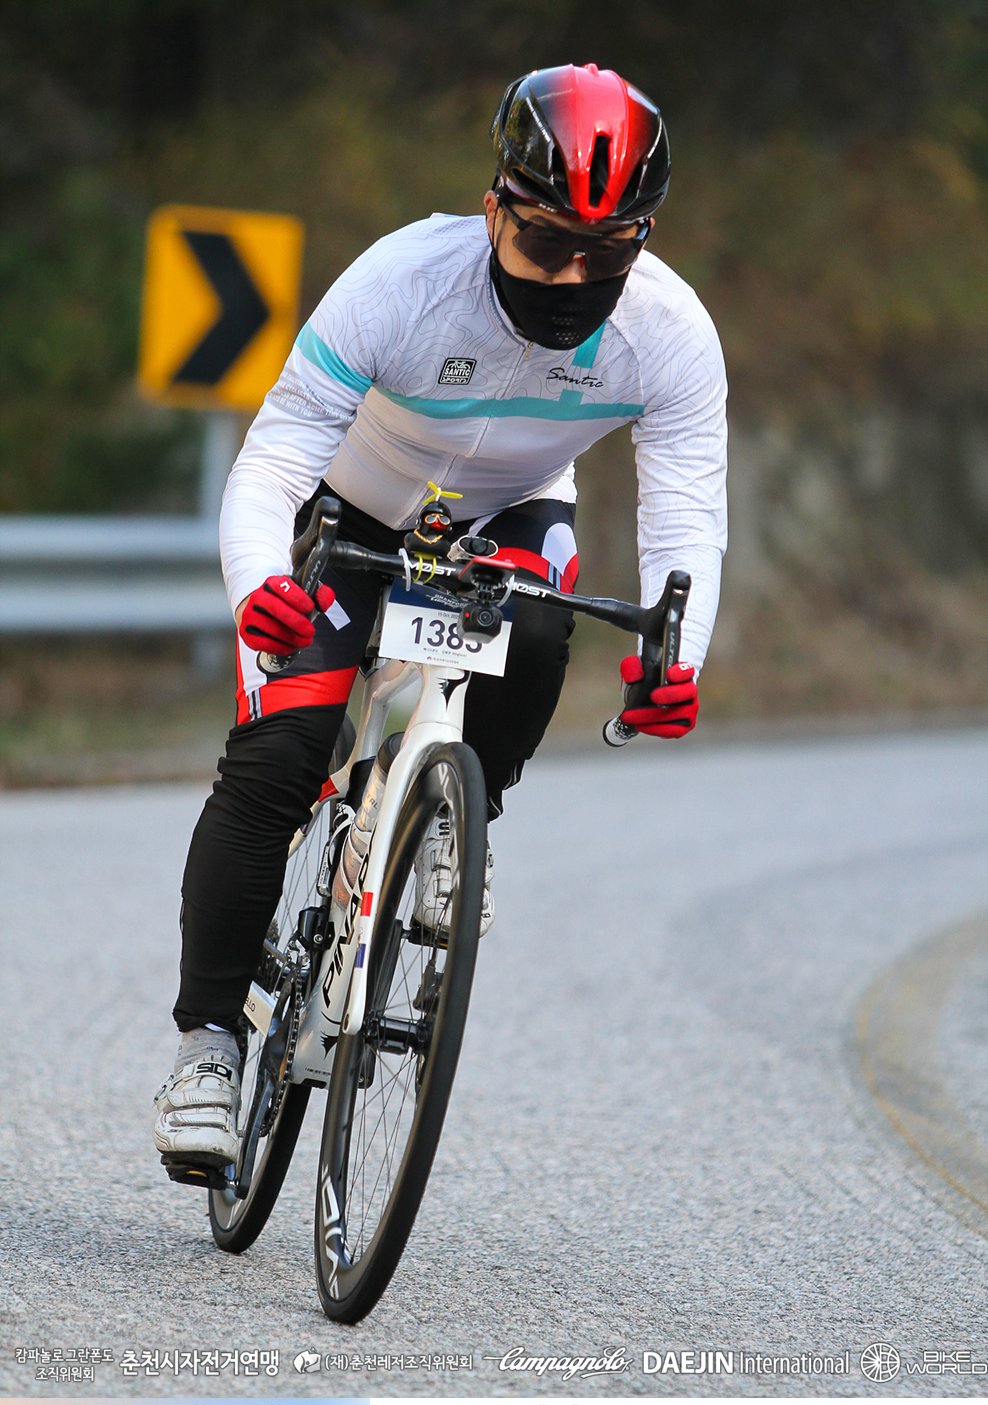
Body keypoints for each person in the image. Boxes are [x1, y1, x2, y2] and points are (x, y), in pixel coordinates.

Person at [153, 61, 728, 1173]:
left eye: (608, 252)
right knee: (278, 756)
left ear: (644, 238)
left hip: (510, 514)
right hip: (351, 509)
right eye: (547, 241)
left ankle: (460, 818)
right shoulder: (401, 282)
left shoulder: (668, 330)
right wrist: (258, 580)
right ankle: (207, 1045)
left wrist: (678, 657)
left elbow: (686, 516)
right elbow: (276, 454)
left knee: (543, 630)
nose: (574, 275)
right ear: (494, 209)